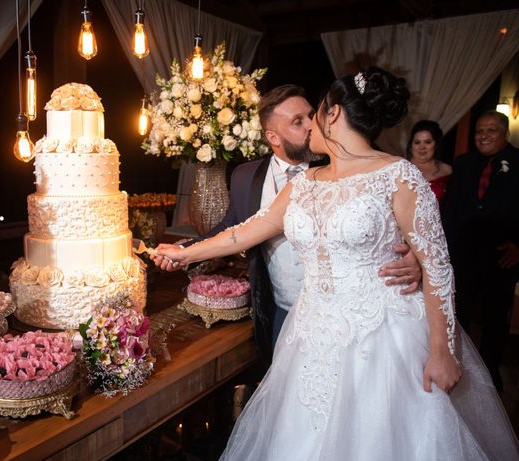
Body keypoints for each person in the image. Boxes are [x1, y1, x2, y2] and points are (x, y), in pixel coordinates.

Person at [154, 68, 519, 461]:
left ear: (335, 113)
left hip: (383, 337)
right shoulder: (306, 181)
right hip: (311, 335)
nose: (310, 122)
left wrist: (441, 349)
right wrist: (185, 252)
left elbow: (436, 266)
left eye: (317, 111)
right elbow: (246, 231)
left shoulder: (399, 176)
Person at [155, 84, 421, 359]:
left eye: (311, 115)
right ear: (273, 136)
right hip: (286, 311)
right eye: (298, 121)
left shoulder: (354, 168)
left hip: (366, 319)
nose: (310, 125)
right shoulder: (252, 177)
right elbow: (237, 231)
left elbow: (395, 225)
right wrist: (184, 252)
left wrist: (417, 256)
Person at [442, 110, 519, 392]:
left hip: (501, 256)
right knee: (458, 311)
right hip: (463, 254)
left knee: (495, 317)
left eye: (491, 131)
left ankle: (490, 375)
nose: (483, 136)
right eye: (479, 131)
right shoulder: (464, 163)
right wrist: (445, 249)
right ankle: (460, 366)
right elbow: (451, 208)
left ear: (505, 134)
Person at [406, 119, 452, 202]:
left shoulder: (447, 170)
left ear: (436, 144)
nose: (422, 147)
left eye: (427, 142)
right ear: (411, 145)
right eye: (417, 142)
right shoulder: (400, 168)